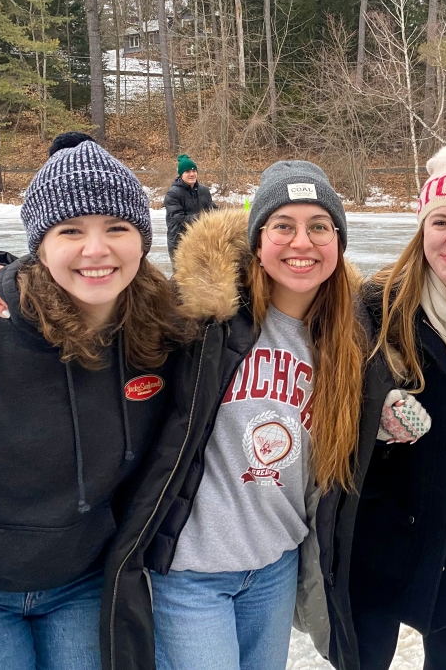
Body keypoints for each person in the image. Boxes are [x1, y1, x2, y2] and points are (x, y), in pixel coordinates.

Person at [0, 140, 184, 670]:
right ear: (39, 247)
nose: (97, 250)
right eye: (70, 231)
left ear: (143, 240)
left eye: (117, 227)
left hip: (84, 580)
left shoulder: (161, 337)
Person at [101, 160, 364, 670]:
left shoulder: (350, 333)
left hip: (274, 568)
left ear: (338, 240)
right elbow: (98, 300)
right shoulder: (202, 316)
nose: (302, 243)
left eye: (319, 227)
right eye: (283, 226)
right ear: (258, 240)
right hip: (191, 574)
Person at [322, 142, 446, 670]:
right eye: (440, 222)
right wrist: (371, 418)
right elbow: (329, 405)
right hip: (378, 541)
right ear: (421, 226)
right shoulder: (374, 307)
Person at [163, 154, 216, 261]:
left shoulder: (204, 190)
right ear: (181, 174)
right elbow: (178, 219)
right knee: (181, 276)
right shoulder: (172, 194)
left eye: (194, 171)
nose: (192, 174)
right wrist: (202, 217)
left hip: (201, 239)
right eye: (187, 171)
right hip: (180, 241)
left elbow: (212, 209)